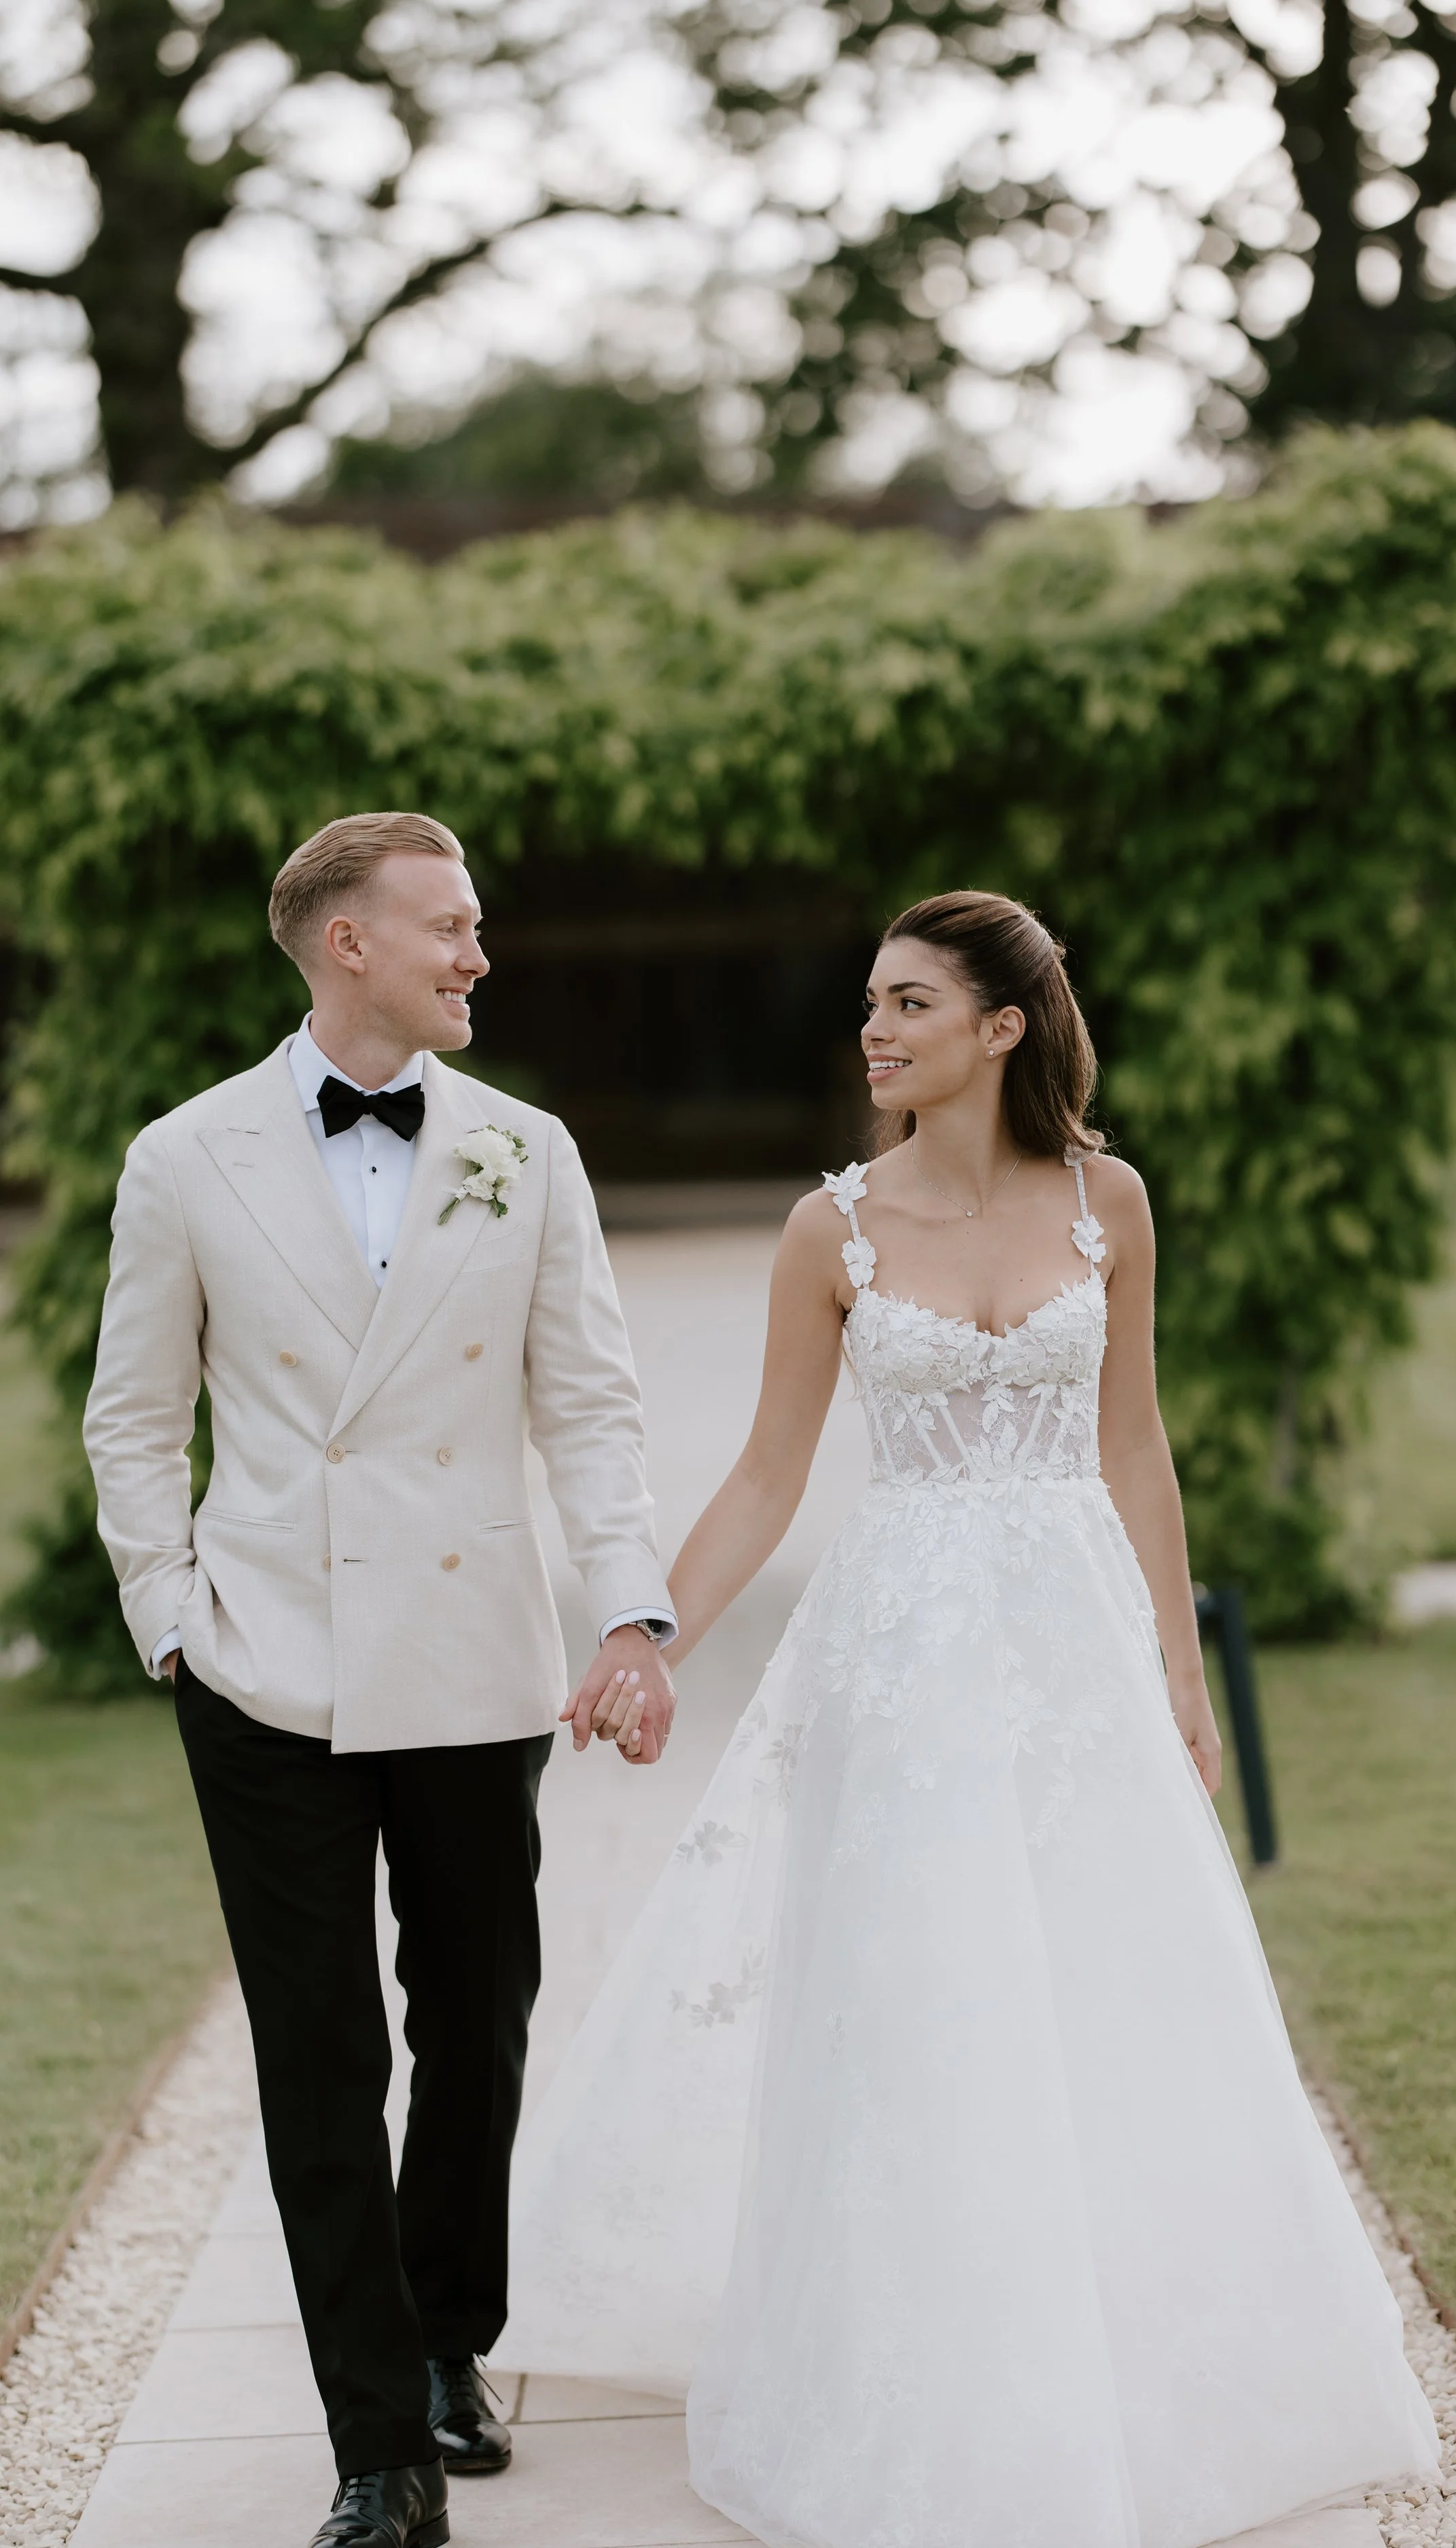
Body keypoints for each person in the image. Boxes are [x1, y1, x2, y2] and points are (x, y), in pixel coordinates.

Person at [500, 889, 1440, 2548]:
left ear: (1001, 1028)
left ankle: (1127, 2358)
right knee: (924, 1994)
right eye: (870, 1002)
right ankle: (922, 2382)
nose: (873, 1029)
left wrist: (1171, 1663)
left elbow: (1132, 1443)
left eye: (910, 1003)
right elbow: (769, 1475)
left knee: (1103, 1978)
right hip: (905, 1660)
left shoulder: (1107, 1203)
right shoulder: (832, 1232)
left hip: (1071, 1644)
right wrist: (645, 1632)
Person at [82, 811, 678, 2548]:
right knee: (318, 2058)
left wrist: (626, 1610)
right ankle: (376, 2450)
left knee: (474, 2024)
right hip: (260, 1667)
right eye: (450, 926)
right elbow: (134, 1416)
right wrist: (169, 1617)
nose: (477, 954)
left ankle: (446, 2342)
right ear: (347, 942)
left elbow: (589, 1402)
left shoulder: (526, 1150)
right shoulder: (183, 1159)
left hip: (474, 1655)